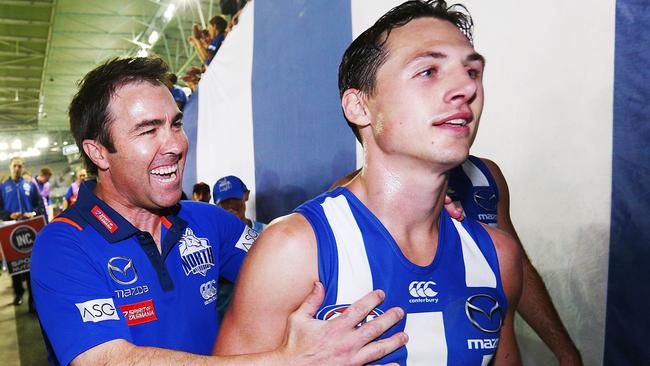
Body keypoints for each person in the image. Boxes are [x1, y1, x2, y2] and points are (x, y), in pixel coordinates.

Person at [30, 56, 407, 366]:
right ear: (98, 152)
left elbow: (310, 263)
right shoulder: (62, 245)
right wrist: (287, 361)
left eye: (175, 124)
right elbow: (108, 360)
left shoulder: (206, 221)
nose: (175, 144)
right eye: (148, 130)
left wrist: (395, 200)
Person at [215, 1, 522, 364]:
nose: (465, 88)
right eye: (428, 71)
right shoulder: (294, 252)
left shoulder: (497, 256)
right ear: (360, 107)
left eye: (471, 72)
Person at [448, 155, 583, 365]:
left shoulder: (485, 174)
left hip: (489, 339)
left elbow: (517, 266)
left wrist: (566, 353)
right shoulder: (385, 177)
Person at [0, 157, 45, 311]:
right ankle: (18, 293)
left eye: (20, 166)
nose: (17, 168)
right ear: (10, 167)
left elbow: (39, 205)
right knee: (15, 267)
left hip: (29, 230)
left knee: (31, 266)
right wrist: (8, 215)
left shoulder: (30, 185)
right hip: (10, 231)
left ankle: (33, 300)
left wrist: (32, 213)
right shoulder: (3, 187)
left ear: (23, 167)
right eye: (14, 166)